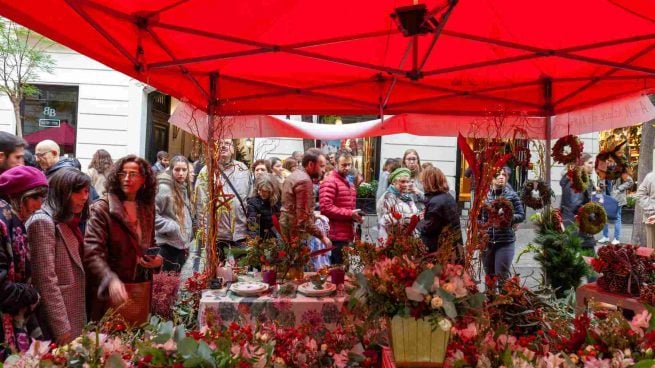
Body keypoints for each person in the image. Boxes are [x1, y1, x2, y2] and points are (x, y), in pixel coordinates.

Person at [84, 155, 163, 321]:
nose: (127, 178)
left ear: (144, 179)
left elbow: (151, 243)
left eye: (133, 174)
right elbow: (92, 252)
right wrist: (110, 279)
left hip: (139, 288)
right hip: (112, 291)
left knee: (137, 340)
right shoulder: (102, 208)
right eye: (122, 174)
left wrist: (157, 261)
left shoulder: (146, 207)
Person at [26, 168, 89, 345]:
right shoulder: (43, 221)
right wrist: (61, 327)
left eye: (86, 191)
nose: (84, 197)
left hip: (72, 310)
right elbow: (45, 280)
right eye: (78, 192)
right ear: (63, 192)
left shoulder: (67, 219)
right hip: (57, 318)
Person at [0, 166, 48, 358]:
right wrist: (31, 294)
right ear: (19, 196)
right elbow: (2, 288)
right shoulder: (4, 223)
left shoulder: (12, 220)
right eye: (35, 198)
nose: (39, 206)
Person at [196, 139, 252, 259]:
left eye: (227, 143)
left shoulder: (243, 169)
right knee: (218, 273)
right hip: (217, 236)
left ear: (233, 149)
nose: (223, 146)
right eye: (220, 144)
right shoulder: (207, 171)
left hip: (240, 234)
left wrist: (251, 230)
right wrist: (205, 233)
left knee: (241, 272)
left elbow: (250, 198)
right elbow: (201, 205)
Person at [280, 148, 332, 248]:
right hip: (296, 234)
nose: (324, 170)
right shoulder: (304, 181)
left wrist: (314, 215)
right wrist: (322, 237)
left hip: (289, 228)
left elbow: (294, 208)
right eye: (321, 166)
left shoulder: (295, 175)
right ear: (310, 165)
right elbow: (303, 219)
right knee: (298, 262)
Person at [319, 149, 361, 264]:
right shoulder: (330, 182)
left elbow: (347, 207)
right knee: (336, 271)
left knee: (342, 269)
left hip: (346, 233)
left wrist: (355, 216)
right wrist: (350, 214)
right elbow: (326, 208)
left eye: (349, 164)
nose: (347, 167)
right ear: (335, 164)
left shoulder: (349, 183)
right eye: (344, 165)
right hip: (334, 235)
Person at [482, 170, 525, 283]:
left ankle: (502, 299)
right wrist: (481, 231)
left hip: (505, 241)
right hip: (487, 243)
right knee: (489, 278)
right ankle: (490, 300)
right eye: (498, 175)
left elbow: (521, 215)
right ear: (491, 178)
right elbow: (479, 218)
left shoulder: (512, 195)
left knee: (501, 277)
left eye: (504, 175)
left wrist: (508, 217)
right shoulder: (484, 196)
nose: (501, 177)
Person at [155, 156, 194, 272]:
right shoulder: (164, 188)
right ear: (171, 170)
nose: (181, 173)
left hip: (180, 246)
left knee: (176, 285)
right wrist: (172, 227)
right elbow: (151, 215)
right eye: (177, 169)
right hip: (166, 246)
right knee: (166, 286)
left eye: (184, 170)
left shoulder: (184, 188)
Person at [417, 166, 463, 258]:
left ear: (428, 182)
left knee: (432, 272)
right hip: (453, 248)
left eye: (423, 181)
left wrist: (419, 221)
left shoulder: (436, 201)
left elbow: (428, 228)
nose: (421, 183)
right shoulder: (447, 196)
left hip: (439, 251)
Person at [560, 153, 597, 250]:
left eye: (593, 163)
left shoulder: (574, 178)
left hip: (572, 224)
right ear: (581, 165)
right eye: (590, 163)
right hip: (577, 227)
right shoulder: (578, 180)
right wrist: (592, 216)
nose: (593, 165)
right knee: (584, 259)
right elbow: (575, 204)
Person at [376, 168, 420, 241]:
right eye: (402, 182)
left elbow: (414, 212)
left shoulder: (406, 196)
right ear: (394, 182)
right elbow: (384, 221)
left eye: (407, 182)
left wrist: (418, 216)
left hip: (408, 238)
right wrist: (408, 218)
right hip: (393, 240)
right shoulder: (388, 197)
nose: (406, 184)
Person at [599, 169, 634, 245]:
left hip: (617, 198)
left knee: (617, 217)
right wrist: (601, 185)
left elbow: (630, 181)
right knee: (604, 216)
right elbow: (603, 182)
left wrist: (619, 189)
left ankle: (616, 238)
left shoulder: (620, 171)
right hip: (606, 197)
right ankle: (605, 236)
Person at [247, 174, 281, 239]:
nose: (260, 193)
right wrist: (255, 242)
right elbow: (253, 225)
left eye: (264, 191)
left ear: (272, 191)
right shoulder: (253, 202)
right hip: (262, 239)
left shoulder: (278, 200)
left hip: (277, 238)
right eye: (259, 190)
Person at [636, 170, 655, 248]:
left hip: (650, 216)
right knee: (652, 251)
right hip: (651, 219)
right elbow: (640, 195)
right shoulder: (650, 177)